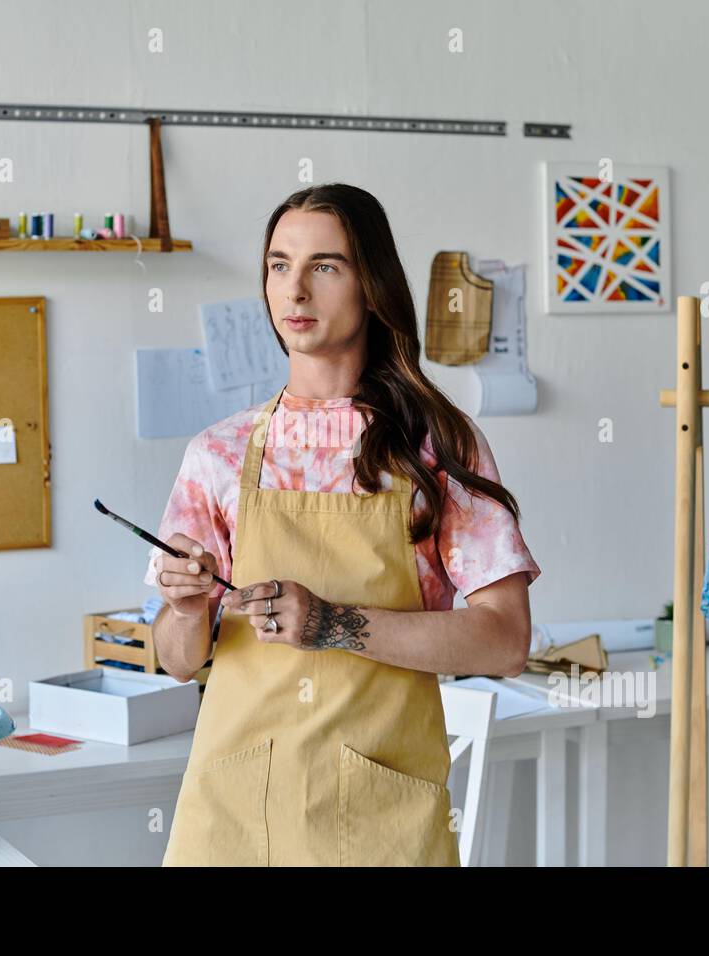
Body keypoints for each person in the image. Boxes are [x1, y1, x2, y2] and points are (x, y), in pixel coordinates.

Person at [144, 183, 541, 866]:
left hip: (379, 820)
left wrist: (333, 624)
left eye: (324, 266)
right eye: (278, 265)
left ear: (373, 286)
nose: (295, 289)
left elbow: (504, 641)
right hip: (235, 818)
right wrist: (184, 607)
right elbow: (178, 660)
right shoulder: (219, 453)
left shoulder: (436, 448)